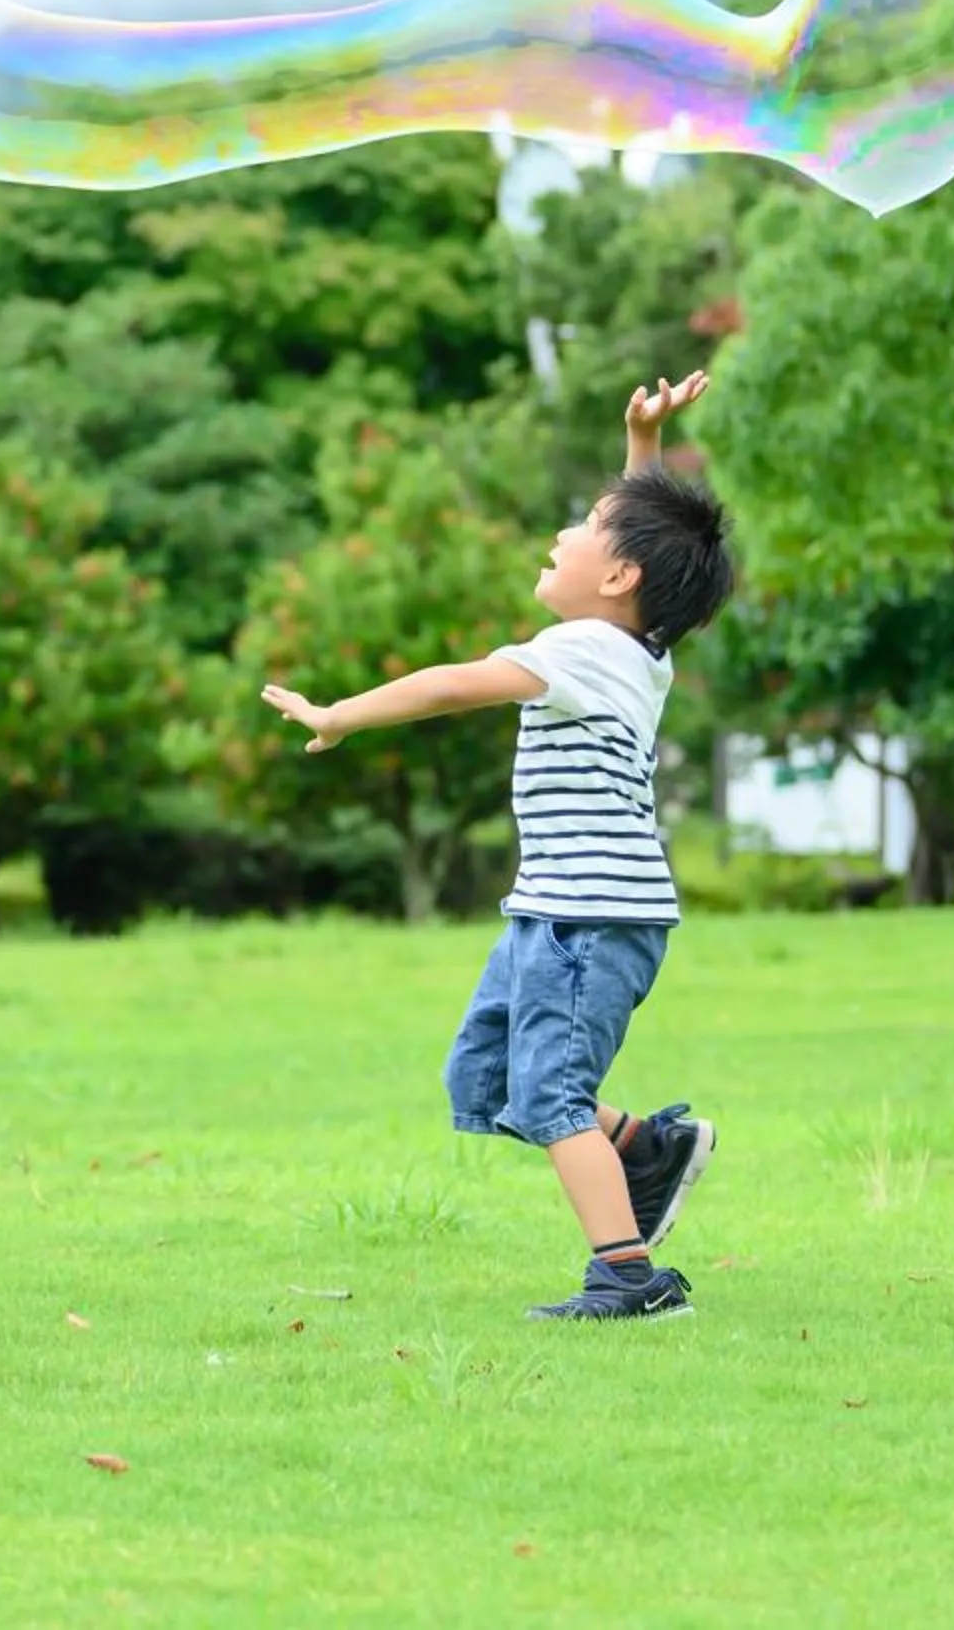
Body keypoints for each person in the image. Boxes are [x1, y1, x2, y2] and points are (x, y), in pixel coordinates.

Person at [259, 376, 734, 1322]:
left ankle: (629, 1279)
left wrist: (343, 713)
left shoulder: (583, 651)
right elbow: (638, 546)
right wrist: (641, 446)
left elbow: (452, 685)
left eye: (582, 528)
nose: (561, 535)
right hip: (557, 912)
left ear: (619, 577)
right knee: (483, 1082)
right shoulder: (633, 647)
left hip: (588, 919)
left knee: (553, 1094)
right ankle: (644, 1148)